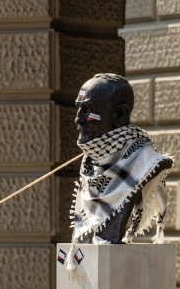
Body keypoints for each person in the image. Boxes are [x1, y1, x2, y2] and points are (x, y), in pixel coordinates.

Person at [70, 74, 172, 246]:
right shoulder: (89, 165)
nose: (78, 119)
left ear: (120, 114)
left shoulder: (148, 163)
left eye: (87, 109)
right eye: (79, 108)